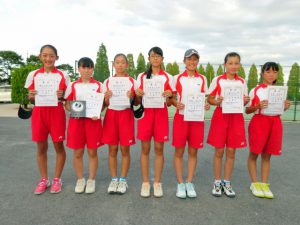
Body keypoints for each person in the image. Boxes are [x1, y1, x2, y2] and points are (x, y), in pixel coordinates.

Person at [25, 44, 70, 194]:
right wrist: (30, 96)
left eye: (51, 56)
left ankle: (57, 179)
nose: (48, 58)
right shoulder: (33, 75)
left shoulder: (63, 75)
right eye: (45, 55)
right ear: (40, 56)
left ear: (56, 58)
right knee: (41, 147)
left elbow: (67, 98)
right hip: (39, 112)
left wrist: (62, 95)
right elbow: (30, 98)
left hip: (56, 112)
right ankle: (44, 179)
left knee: (58, 146)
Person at [207, 52, 249, 198]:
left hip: (236, 117)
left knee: (231, 151)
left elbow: (244, 102)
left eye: (236, 63)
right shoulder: (218, 80)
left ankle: (227, 181)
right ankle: (217, 181)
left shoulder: (242, 82)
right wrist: (216, 101)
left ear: (239, 65)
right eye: (230, 63)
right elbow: (210, 99)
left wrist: (245, 100)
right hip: (221, 116)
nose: (233, 66)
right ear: (225, 65)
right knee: (219, 151)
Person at [246, 62, 290, 199]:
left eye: (275, 72)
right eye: (268, 71)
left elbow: (279, 110)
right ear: (262, 73)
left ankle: (264, 184)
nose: (272, 75)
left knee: (267, 155)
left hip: (275, 122)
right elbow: (247, 110)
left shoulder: (280, 91)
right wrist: (258, 105)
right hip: (259, 121)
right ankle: (254, 183)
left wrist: (285, 107)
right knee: (254, 153)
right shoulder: (256, 90)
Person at [135, 46, 174, 197]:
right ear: (149, 58)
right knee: (145, 149)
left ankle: (157, 182)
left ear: (162, 59)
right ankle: (145, 182)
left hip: (161, 114)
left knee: (159, 149)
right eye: (153, 56)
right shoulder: (142, 76)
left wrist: (169, 95)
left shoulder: (168, 77)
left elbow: (170, 103)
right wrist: (138, 94)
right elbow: (137, 100)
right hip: (146, 114)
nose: (155, 58)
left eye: (158, 56)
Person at [171, 49, 210, 199]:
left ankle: (189, 182)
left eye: (194, 59)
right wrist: (176, 103)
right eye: (189, 59)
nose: (192, 62)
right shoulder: (177, 78)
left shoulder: (203, 79)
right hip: (181, 118)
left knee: (193, 152)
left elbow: (204, 99)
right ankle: (180, 182)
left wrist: (206, 106)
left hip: (197, 119)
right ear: (184, 61)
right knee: (179, 152)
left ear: (197, 61)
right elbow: (171, 99)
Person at [64, 57, 103, 194]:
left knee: (92, 152)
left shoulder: (99, 85)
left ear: (93, 69)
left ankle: (91, 180)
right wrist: (75, 111)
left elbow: (102, 104)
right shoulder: (73, 85)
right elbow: (67, 104)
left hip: (93, 122)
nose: (86, 70)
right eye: (83, 67)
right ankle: (80, 179)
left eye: (89, 67)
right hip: (77, 122)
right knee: (78, 152)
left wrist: (97, 112)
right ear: (79, 69)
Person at [102, 53, 136, 194]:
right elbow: (103, 103)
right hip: (111, 115)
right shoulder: (107, 81)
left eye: (123, 62)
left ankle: (123, 180)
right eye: (117, 62)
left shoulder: (132, 81)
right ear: (113, 64)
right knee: (112, 149)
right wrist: (106, 97)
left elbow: (138, 102)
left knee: (125, 149)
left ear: (127, 65)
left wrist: (133, 97)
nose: (120, 65)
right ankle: (114, 179)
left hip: (126, 115)